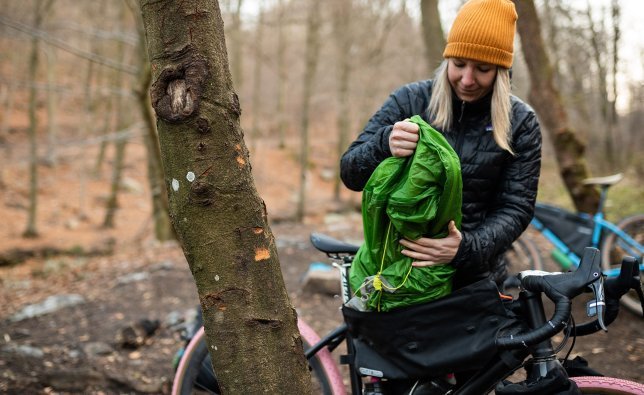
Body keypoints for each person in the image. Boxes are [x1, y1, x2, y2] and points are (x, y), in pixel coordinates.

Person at [340, 0, 541, 291]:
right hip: (395, 277)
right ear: (447, 59)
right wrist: (384, 143)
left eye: (483, 69)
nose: (467, 79)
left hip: (475, 280)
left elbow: (516, 207)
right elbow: (350, 173)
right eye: (458, 64)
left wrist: (464, 249)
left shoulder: (520, 122)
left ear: (500, 71)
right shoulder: (409, 101)